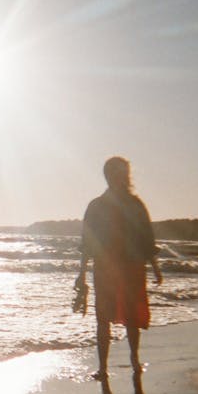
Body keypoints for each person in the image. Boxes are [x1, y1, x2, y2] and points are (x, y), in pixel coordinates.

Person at [75, 157, 163, 381]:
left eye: (121, 172)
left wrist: (155, 266)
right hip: (106, 267)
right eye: (113, 172)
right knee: (103, 317)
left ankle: (134, 361)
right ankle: (103, 368)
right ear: (107, 175)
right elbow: (88, 242)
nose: (118, 176)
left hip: (131, 267)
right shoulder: (97, 205)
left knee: (132, 317)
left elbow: (146, 237)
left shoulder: (135, 204)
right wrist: (81, 273)